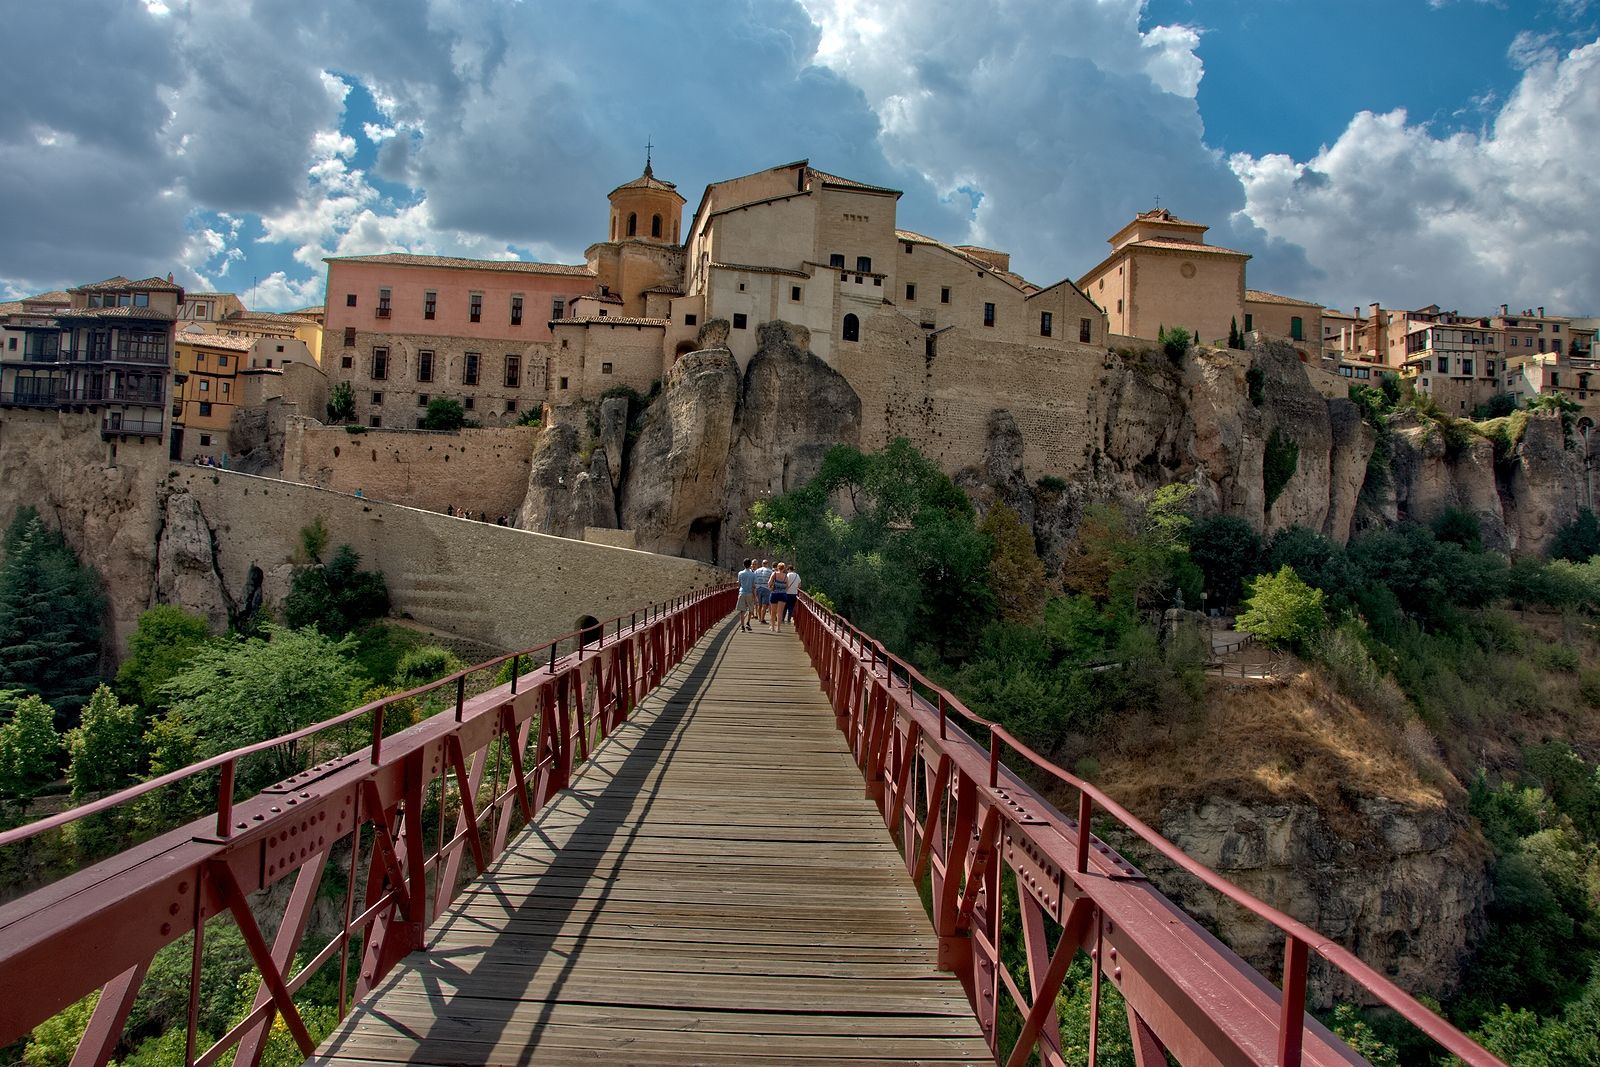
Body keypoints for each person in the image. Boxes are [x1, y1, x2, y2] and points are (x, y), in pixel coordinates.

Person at [735, 559, 758, 632]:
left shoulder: (740, 573)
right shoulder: (753, 574)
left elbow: (739, 584)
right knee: (751, 609)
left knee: (742, 610)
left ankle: (742, 626)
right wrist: (755, 596)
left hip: (742, 592)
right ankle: (748, 622)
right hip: (750, 593)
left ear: (743, 564)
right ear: (750, 565)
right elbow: (753, 586)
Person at [768, 562, 789, 632]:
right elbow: (787, 586)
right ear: (784, 568)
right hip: (782, 595)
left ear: (777, 567)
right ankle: (778, 628)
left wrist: (771, 587)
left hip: (774, 594)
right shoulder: (786, 576)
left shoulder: (774, 574)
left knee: (773, 612)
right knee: (780, 612)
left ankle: (773, 627)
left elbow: (769, 583)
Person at [753, 558, 773, 624]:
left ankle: (759, 617)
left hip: (758, 588)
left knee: (759, 604)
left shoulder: (757, 571)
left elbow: (754, 580)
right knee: (764, 605)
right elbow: (772, 581)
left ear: (762, 564)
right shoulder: (770, 571)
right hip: (766, 588)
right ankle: (762, 619)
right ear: (767, 564)